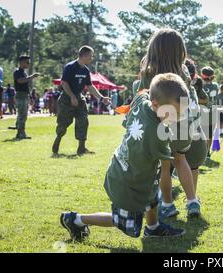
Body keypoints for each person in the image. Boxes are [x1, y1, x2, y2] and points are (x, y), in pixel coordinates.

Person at [60, 73, 188, 241]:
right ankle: (76, 219)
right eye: (173, 113)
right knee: (126, 224)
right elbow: (166, 167)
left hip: (124, 167)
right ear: (156, 104)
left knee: (151, 197)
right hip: (127, 182)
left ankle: (153, 227)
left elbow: (143, 92)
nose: (176, 118)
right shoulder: (159, 134)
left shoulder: (143, 100)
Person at [135, 29, 205, 219]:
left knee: (164, 167)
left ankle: (167, 204)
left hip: (161, 127)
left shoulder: (148, 73)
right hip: (183, 126)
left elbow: (145, 100)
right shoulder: (183, 72)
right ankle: (192, 201)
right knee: (181, 160)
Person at [52, 46, 110, 156]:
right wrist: (72, 96)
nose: (91, 58)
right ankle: (58, 139)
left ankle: (81, 148)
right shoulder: (70, 67)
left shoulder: (85, 70)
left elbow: (90, 86)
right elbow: (64, 83)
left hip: (79, 97)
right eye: (90, 56)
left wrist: (102, 98)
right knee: (64, 122)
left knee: (83, 120)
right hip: (66, 98)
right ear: (83, 55)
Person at [12, 55, 40, 139]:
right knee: (22, 115)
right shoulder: (17, 72)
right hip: (20, 95)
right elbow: (20, 81)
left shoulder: (23, 72)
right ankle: (21, 134)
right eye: (27, 62)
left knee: (23, 115)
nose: (29, 64)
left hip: (24, 95)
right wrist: (32, 77)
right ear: (21, 62)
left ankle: (20, 132)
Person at [201, 66, 220, 156]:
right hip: (213, 113)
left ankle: (203, 151)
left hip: (202, 113)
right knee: (210, 134)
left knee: (202, 134)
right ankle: (207, 152)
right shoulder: (216, 86)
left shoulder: (200, 86)